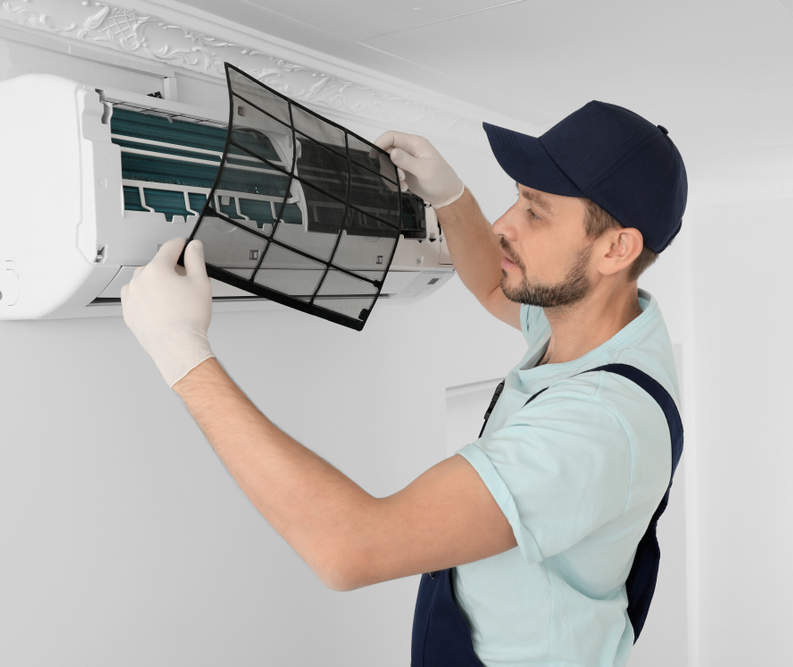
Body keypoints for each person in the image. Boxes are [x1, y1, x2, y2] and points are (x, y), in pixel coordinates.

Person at [121, 100, 687, 667]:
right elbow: (496, 285)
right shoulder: (603, 321)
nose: (503, 226)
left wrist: (183, 353)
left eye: (535, 213)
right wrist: (451, 197)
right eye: (516, 197)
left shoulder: (595, 424)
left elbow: (350, 548)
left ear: (617, 249)